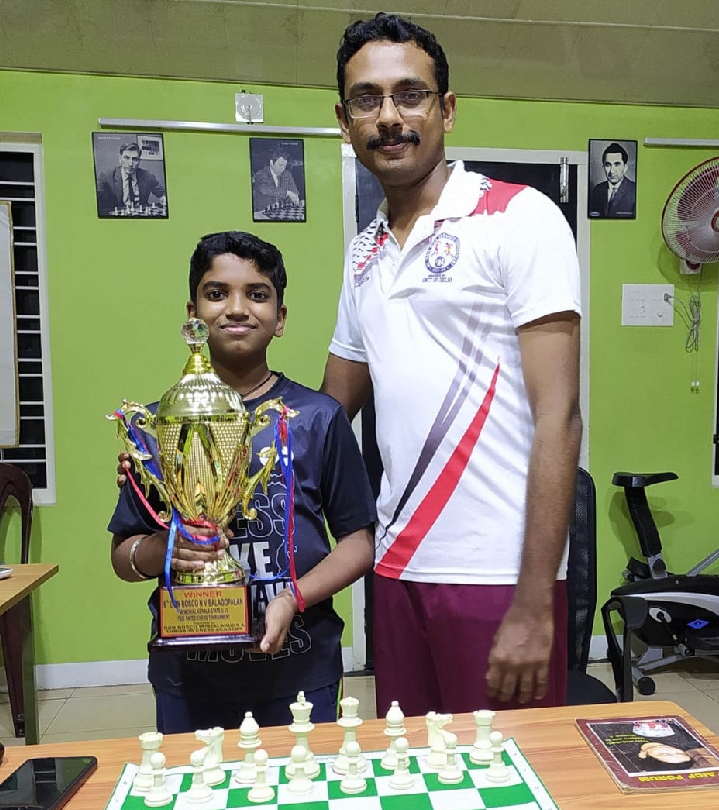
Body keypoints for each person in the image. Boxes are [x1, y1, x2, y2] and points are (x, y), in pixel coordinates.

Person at [322, 13, 581, 718]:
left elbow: (559, 415)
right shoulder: (363, 252)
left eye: (411, 95)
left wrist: (535, 601)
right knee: (412, 784)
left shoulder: (518, 217)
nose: (390, 117)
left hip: (497, 574)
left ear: (447, 110)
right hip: (397, 566)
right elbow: (325, 411)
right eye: (368, 100)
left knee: (513, 793)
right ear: (344, 121)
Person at [109, 231, 375, 734]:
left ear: (280, 318)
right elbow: (123, 557)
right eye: (217, 293)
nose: (236, 308)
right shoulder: (160, 423)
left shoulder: (317, 418)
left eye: (257, 294)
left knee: (302, 798)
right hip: (188, 671)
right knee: (199, 802)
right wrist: (166, 549)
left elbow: (359, 543)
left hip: (301, 666)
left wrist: (293, 597)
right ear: (192, 313)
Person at [97, 141, 166, 214]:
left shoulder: (147, 176)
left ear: (139, 161)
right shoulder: (106, 177)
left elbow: (163, 194)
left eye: (135, 159)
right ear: (120, 159)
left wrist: (164, 199)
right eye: (126, 158)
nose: (130, 164)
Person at [589, 142, 637, 218]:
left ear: (625, 168)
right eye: (608, 165)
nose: (612, 171)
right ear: (603, 167)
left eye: (617, 164)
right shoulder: (597, 190)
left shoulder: (634, 190)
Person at [251, 149, 303, 216]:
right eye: (280, 165)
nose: (283, 168)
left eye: (285, 166)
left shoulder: (287, 174)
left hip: (281, 212)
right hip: (263, 214)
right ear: (272, 163)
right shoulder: (260, 175)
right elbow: (264, 190)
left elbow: (294, 190)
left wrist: (295, 195)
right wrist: (287, 193)